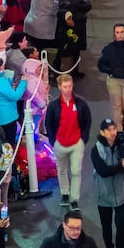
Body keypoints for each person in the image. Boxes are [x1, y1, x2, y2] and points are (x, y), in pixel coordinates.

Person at [44, 74, 92, 211]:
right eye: (65, 87)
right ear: (59, 87)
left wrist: (83, 139)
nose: (68, 89)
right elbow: (49, 124)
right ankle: (65, 193)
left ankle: (74, 198)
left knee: (76, 171)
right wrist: (53, 141)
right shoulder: (54, 106)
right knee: (62, 170)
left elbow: (87, 121)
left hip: (76, 143)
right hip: (60, 143)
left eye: (70, 86)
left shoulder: (80, 103)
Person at [90, 119, 124, 248]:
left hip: (121, 194)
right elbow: (103, 172)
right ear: (102, 132)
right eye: (108, 130)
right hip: (104, 195)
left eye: (114, 129)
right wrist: (121, 166)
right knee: (106, 226)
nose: (112, 132)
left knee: (122, 225)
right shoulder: (96, 150)